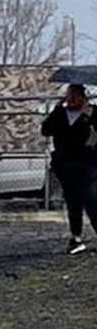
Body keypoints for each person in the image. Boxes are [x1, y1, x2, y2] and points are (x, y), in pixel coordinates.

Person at [41, 84, 95, 254]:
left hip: (88, 165)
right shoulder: (60, 114)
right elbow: (45, 129)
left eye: (74, 96)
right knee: (73, 202)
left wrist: (91, 117)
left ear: (83, 97)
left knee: (91, 201)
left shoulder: (92, 113)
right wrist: (58, 107)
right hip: (66, 165)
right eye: (68, 95)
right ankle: (76, 238)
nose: (71, 99)